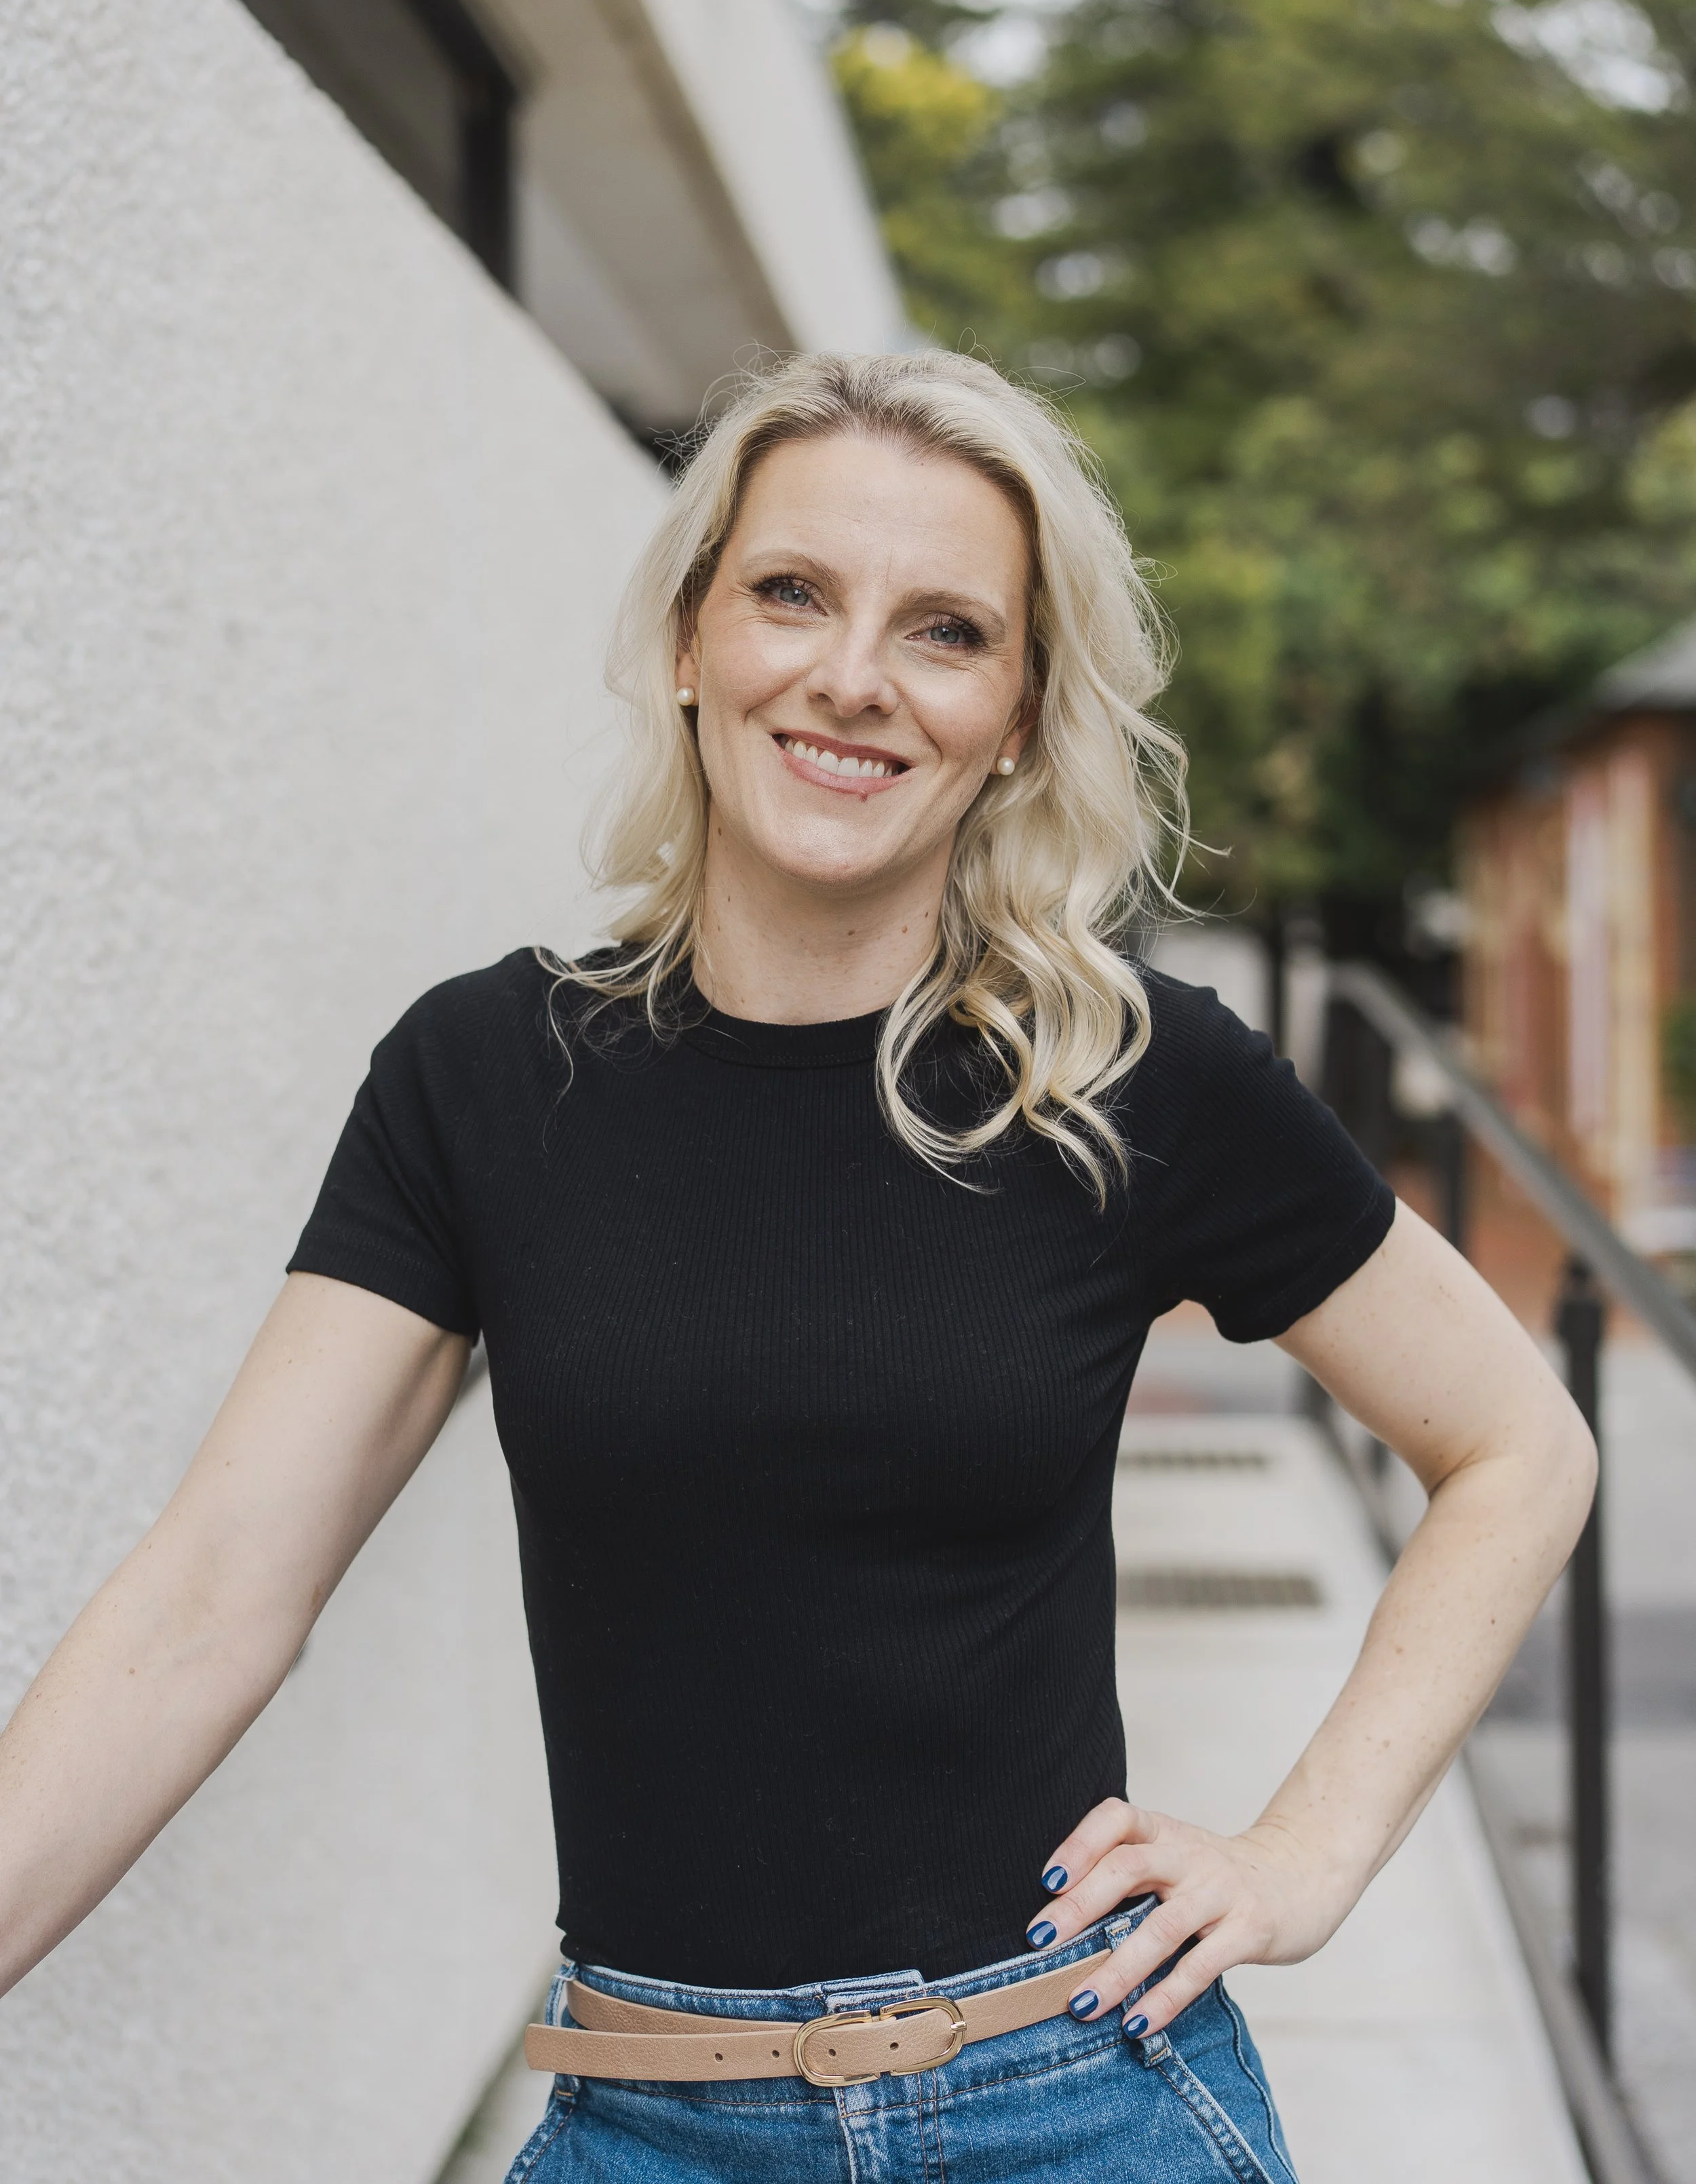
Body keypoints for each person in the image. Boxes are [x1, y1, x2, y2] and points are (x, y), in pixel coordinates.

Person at [0, 351, 1594, 2183]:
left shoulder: (1126, 1079)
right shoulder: (485, 1078)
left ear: (1017, 716)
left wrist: (1302, 1856)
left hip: (1071, 2097)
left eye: (945, 631)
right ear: (688, 639)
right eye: (790, 593)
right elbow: (214, 1591)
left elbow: (1516, 1445)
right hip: (646, 2117)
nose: (853, 677)